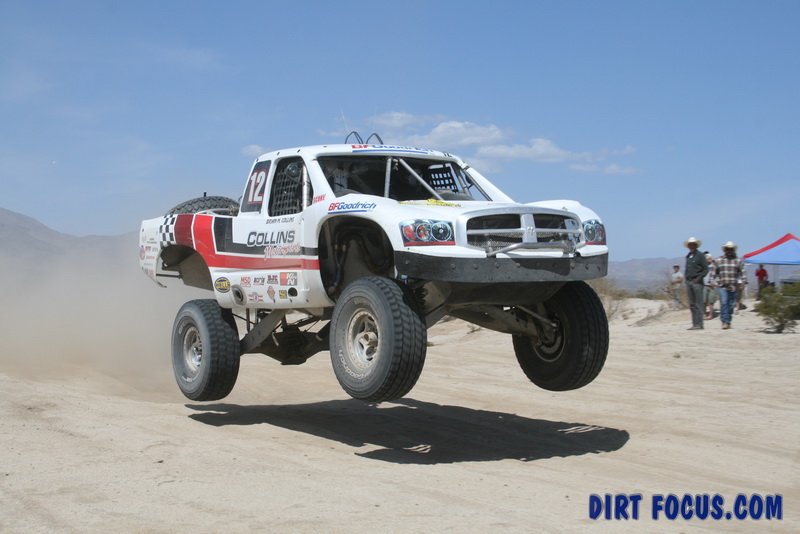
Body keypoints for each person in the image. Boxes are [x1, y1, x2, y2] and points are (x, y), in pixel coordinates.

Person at [712, 241, 745, 330]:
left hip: (733, 286)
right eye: (727, 249)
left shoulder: (738, 261)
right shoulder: (719, 260)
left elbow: (742, 272)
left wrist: (743, 282)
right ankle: (724, 322)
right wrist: (712, 281)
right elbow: (714, 271)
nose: (729, 251)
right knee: (724, 302)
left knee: (731, 305)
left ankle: (728, 321)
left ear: (733, 250)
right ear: (725, 250)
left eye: (731, 249)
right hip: (722, 285)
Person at [684, 237, 709, 330]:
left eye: (693, 244)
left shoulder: (700, 256)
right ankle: (694, 324)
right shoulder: (688, 256)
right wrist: (686, 279)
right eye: (690, 245)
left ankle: (699, 324)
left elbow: (706, 269)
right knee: (692, 304)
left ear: (696, 245)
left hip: (697, 282)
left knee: (698, 303)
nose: (691, 246)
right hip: (689, 282)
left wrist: (698, 278)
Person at [703, 251, 718, 319]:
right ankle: (704, 314)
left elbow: (717, 274)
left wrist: (715, 282)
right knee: (704, 301)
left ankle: (710, 315)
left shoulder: (714, 266)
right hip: (704, 284)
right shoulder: (703, 266)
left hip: (712, 285)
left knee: (711, 301)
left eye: (708, 257)